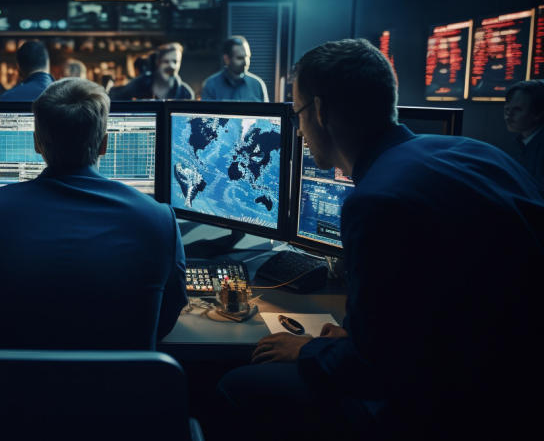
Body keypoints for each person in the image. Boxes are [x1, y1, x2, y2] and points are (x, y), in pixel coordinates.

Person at [218, 39, 544, 439]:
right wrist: (361, 337)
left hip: (451, 410)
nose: (298, 128)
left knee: (234, 386)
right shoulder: (479, 153)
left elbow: (373, 370)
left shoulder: (376, 201)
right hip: (521, 395)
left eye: (297, 112)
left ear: (319, 111)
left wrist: (307, 350)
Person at [0, 78, 187, 349]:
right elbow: (164, 321)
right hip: (121, 388)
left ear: (37, 143)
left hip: (13, 389)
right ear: (105, 144)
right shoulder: (160, 220)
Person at [109, 43, 194, 100]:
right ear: (157, 63)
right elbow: (113, 96)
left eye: (175, 62)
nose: (172, 66)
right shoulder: (140, 84)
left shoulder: (186, 93)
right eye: (166, 62)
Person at [200, 36, 269, 101]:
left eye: (247, 56)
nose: (246, 62)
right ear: (227, 59)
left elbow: (267, 113)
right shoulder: (211, 85)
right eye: (239, 58)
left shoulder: (257, 85)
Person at [504, 79, 544, 186]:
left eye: (517, 110)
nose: (508, 116)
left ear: (538, 113)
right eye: (507, 109)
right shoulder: (525, 142)